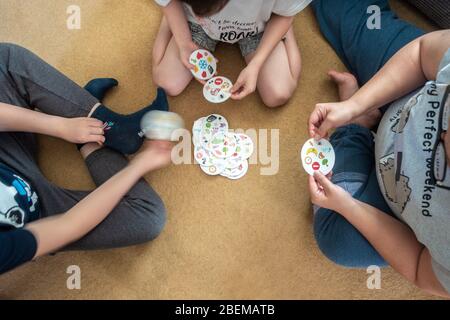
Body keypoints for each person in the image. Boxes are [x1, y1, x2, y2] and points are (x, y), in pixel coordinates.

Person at [307, 0, 450, 297]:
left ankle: (361, 126)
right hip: (412, 84)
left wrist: (349, 206)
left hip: (395, 209)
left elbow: (418, 266)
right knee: (338, 8)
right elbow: (421, 54)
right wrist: (353, 105)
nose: (441, 134)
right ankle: (365, 113)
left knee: (337, 239)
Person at [0, 43, 173, 274]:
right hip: (36, 217)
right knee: (148, 218)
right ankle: (97, 132)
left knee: (5, 59)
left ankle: (108, 125)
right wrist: (139, 165)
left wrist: (60, 126)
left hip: (7, 151)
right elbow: (66, 226)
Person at [152, 0, 311, 107]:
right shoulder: (198, 14)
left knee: (278, 93)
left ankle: (285, 23)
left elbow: (285, 15)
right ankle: (171, 18)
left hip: (260, 25)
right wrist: (183, 41)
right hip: (195, 23)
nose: (201, 17)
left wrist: (256, 64)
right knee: (167, 83)